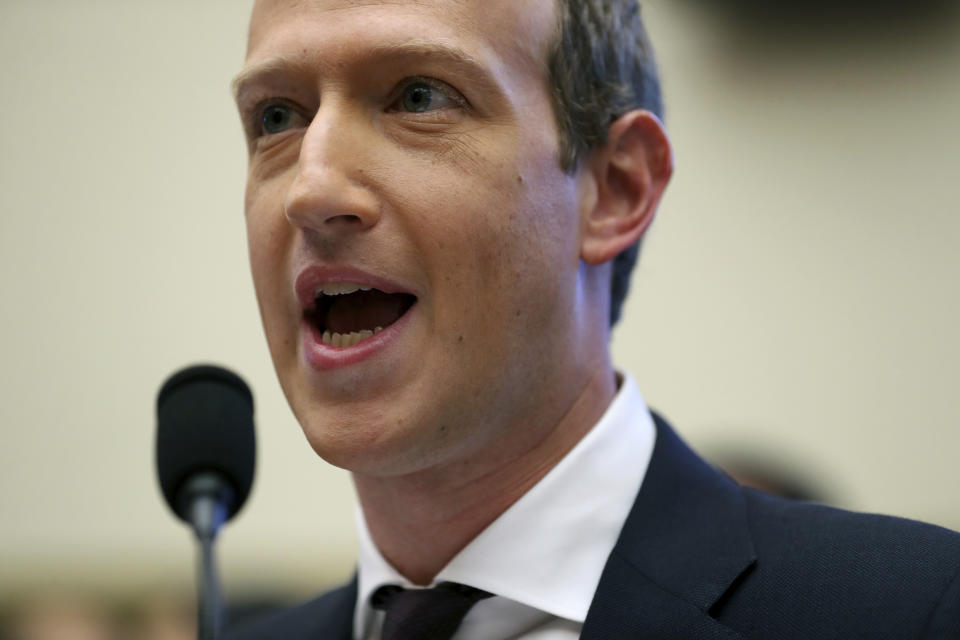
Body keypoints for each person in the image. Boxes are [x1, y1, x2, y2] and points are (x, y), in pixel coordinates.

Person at [226, 0, 960, 638]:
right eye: (277, 117)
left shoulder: (914, 610)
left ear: (614, 189)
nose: (311, 188)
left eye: (418, 97)